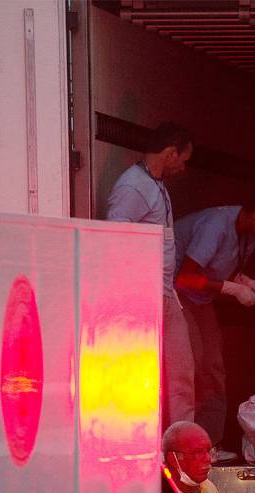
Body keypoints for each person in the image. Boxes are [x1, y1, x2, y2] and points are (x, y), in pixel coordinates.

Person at [173, 201, 255, 445]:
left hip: (203, 299)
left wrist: (242, 280)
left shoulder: (249, 234)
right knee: (194, 362)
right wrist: (231, 288)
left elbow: (223, 266)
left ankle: (209, 444)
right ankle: (184, 443)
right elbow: (185, 277)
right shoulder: (216, 225)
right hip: (178, 295)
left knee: (214, 367)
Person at [106, 122, 195, 428]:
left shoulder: (154, 183)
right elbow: (114, 239)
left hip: (164, 291)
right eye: (183, 159)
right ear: (170, 153)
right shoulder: (134, 185)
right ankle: (149, 439)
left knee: (180, 370)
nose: (184, 167)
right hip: (144, 294)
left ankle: (183, 441)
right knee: (149, 374)